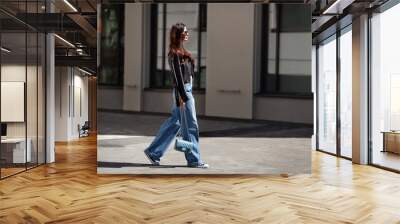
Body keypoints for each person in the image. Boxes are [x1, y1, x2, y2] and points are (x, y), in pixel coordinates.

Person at [144, 22, 209, 169]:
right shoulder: (174, 54)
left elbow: (189, 73)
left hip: (186, 90)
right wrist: (183, 97)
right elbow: (177, 78)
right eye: (185, 32)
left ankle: (153, 152)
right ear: (178, 34)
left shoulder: (183, 53)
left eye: (187, 31)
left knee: (175, 124)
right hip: (183, 91)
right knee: (191, 126)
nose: (187, 33)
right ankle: (194, 160)